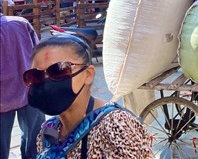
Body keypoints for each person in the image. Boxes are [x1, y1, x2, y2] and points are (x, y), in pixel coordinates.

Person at [24, 35, 154, 158]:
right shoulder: (48, 131)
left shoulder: (115, 126)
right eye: (36, 75)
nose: (47, 82)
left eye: (59, 70)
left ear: (88, 74)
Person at [1, 13, 45, 159]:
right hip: (30, 88)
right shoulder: (21, 23)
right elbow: (38, 52)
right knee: (34, 140)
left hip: (3, 98)